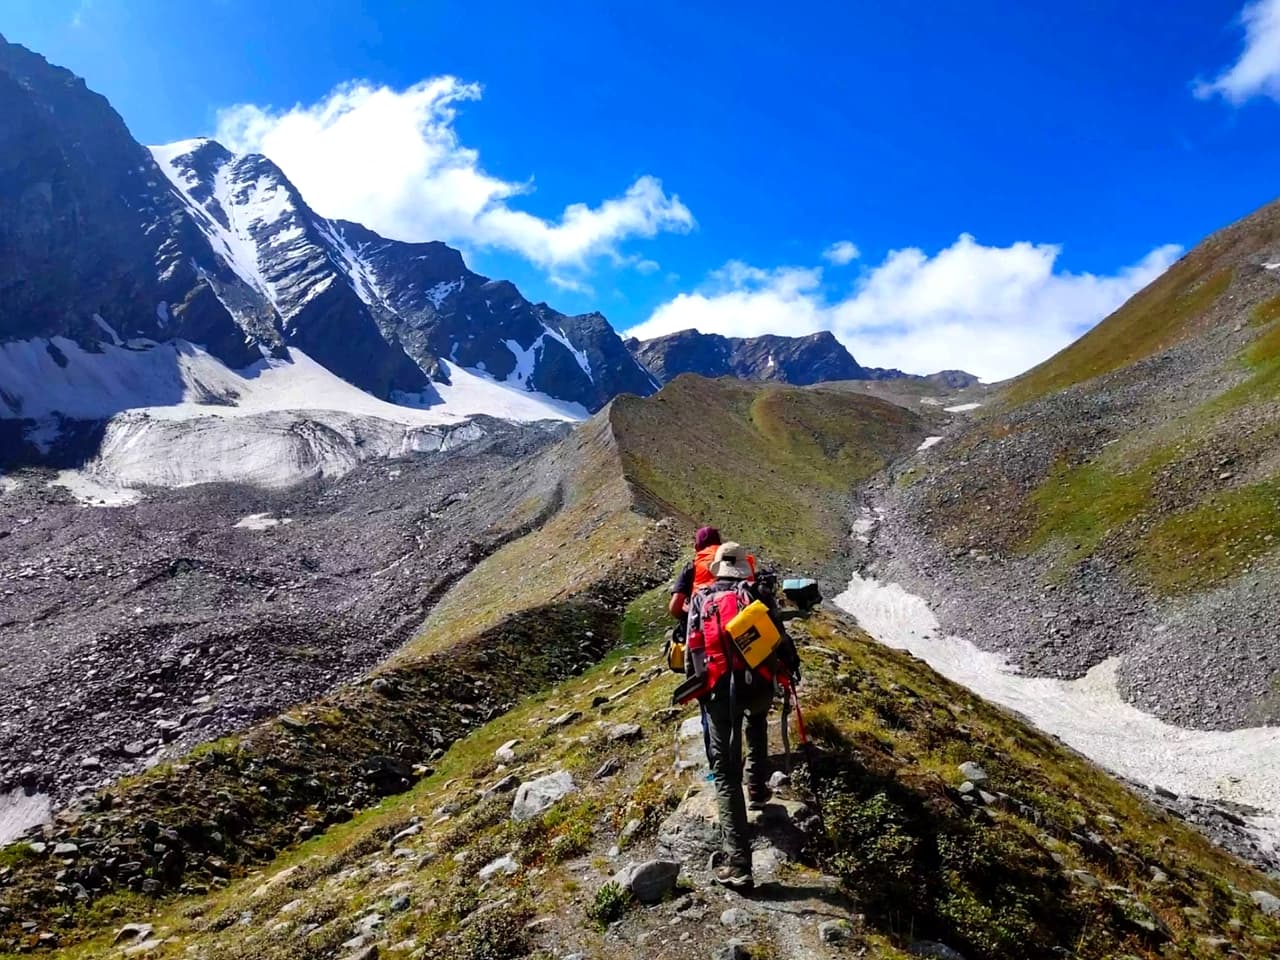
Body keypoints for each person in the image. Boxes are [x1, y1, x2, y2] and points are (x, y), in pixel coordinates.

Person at [686, 541, 800, 890]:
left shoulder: (702, 600)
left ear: (718, 568)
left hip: (721, 691)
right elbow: (780, 639)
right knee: (757, 722)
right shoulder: (757, 595)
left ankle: (738, 864)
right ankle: (758, 786)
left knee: (724, 776)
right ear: (744, 569)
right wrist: (789, 670)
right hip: (760, 686)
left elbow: (694, 649)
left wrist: (701, 692)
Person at [669, 525, 722, 769]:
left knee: (707, 702)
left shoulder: (693, 568)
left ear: (697, 546)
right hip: (738, 641)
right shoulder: (734, 561)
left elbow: (674, 607)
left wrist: (691, 615)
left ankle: (716, 764)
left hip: (704, 645)